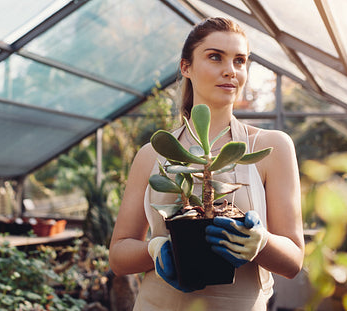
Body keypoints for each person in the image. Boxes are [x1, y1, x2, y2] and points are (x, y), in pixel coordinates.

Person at [109, 17, 304, 310]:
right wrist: (157, 248)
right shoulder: (153, 153)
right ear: (186, 67)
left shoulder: (270, 147)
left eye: (240, 61)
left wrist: (260, 243)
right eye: (215, 57)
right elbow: (118, 255)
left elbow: (293, 261)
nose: (231, 70)